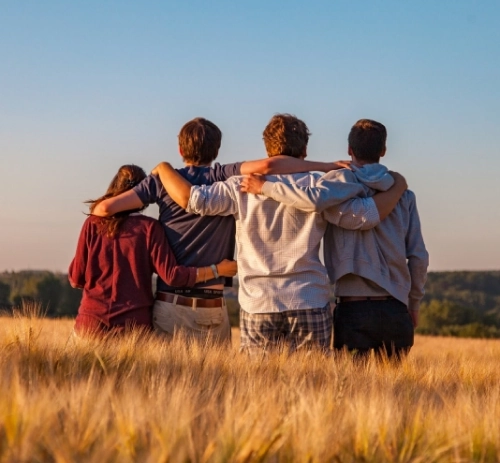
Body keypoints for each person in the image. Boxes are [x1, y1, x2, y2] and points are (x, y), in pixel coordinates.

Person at [151, 114, 407, 353]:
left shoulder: (239, 186)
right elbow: (363, 217)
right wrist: (397, 188)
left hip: (258, 302)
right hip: (309, 298)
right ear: (304, 151)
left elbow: (193, 200)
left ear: (267, 149)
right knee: (313, 388)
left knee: (258, 388)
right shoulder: (321, 186)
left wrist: (163, 169)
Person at [92, 117, 352, 342]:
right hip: (215, 305)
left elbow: (104, 210)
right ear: (217, 150)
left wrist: (158, 176)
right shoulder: (223, 175)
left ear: (180, 148)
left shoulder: (162, 181)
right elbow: (269, 166)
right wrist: (326, 166)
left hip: (172, 303)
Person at [241, 119, 428, 359]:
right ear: (383, 151)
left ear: (349, 150)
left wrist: (265, 187)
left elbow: (312, 200)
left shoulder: (334, 187)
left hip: (352, 309)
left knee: (350, 392)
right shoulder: (404, 195)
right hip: (396, 308)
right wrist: (413, 303)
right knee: (395, 393)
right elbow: (419, 257)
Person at [69, 164, 237, 338]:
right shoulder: (149, 228)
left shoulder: (92, 224)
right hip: (133, 328)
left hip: (90, 324)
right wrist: (217, 270)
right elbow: (172, 276)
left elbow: (76, 278)